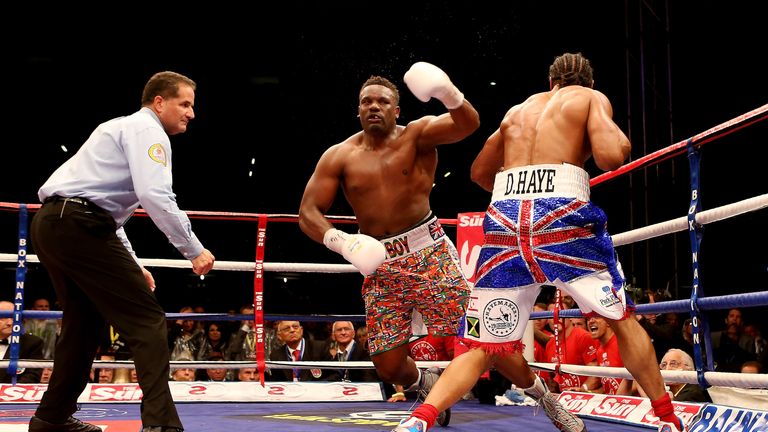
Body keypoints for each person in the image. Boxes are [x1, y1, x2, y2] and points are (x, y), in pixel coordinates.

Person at [395, 52, 684, 432]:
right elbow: (610, 157)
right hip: (561, 217)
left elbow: (479, 173)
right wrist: (618, 139)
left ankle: (419, 420)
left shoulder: (517, 111)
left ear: (551, 82)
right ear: (589, 82)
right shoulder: (589, 98)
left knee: (483, 344)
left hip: (504, 219)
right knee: (621, 318)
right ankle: (668, 419)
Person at [29, 71, 215, 432]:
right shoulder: (149, 132)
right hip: (78, 225)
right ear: (159, 102)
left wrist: (131, 262)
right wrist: (193, 249)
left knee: (83, 325)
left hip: (55, 223)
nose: (191, 113)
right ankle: (161, 424)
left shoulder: (118, 126)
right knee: (147, 319)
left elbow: (108, 214)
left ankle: (50, 418)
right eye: (184, 104)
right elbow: (155, 195)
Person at [298, 62, 480, 419]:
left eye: (382, 101)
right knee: (388, 366)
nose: (374, 106)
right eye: (367, 101)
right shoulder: (339, 155)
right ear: (358, 109)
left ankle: (537, 392)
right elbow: (308, 212)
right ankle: (424, 382)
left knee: (479, 332)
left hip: (429, 252)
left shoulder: (417, 135)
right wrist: (342, 242)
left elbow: (467, 124)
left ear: (396, 110)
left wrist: (448, 93)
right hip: (380, 263)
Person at [0, 301, 44, 383]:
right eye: (3, 317)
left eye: (14, 317)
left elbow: (33, 375)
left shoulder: (31, 343)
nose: (10, 323)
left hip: (14, 390)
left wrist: (10, 389)